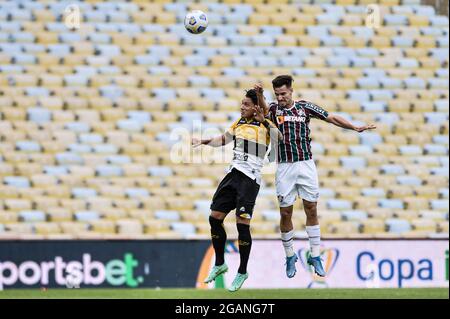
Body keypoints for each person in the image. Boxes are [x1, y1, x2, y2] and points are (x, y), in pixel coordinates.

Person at [256, 75, 376, 278]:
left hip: (306, 164)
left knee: (311, 208)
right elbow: (264, 110)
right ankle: (290, 255)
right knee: (285, 212)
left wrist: (354, 127)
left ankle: (315, 255)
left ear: (291, 91)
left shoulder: (304, 108)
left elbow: (331, 117)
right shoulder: (274, 110)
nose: (281, 98)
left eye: (283, 93)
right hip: (284, 166)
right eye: (277, 94)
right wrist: (260, 94)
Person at [192, 89, 282, 292]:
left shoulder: (266, 125)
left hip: (249, 178)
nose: (242, 107)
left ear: (256, 107)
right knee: (214, 217)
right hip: (233, 174)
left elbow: (279, 139)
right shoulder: (239, 123)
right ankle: (220, 263)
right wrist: (204, 141)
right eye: (241, 104)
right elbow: (224, 139)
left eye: (246, 104)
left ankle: (242, 271)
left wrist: (265, 119)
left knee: (242, 223)